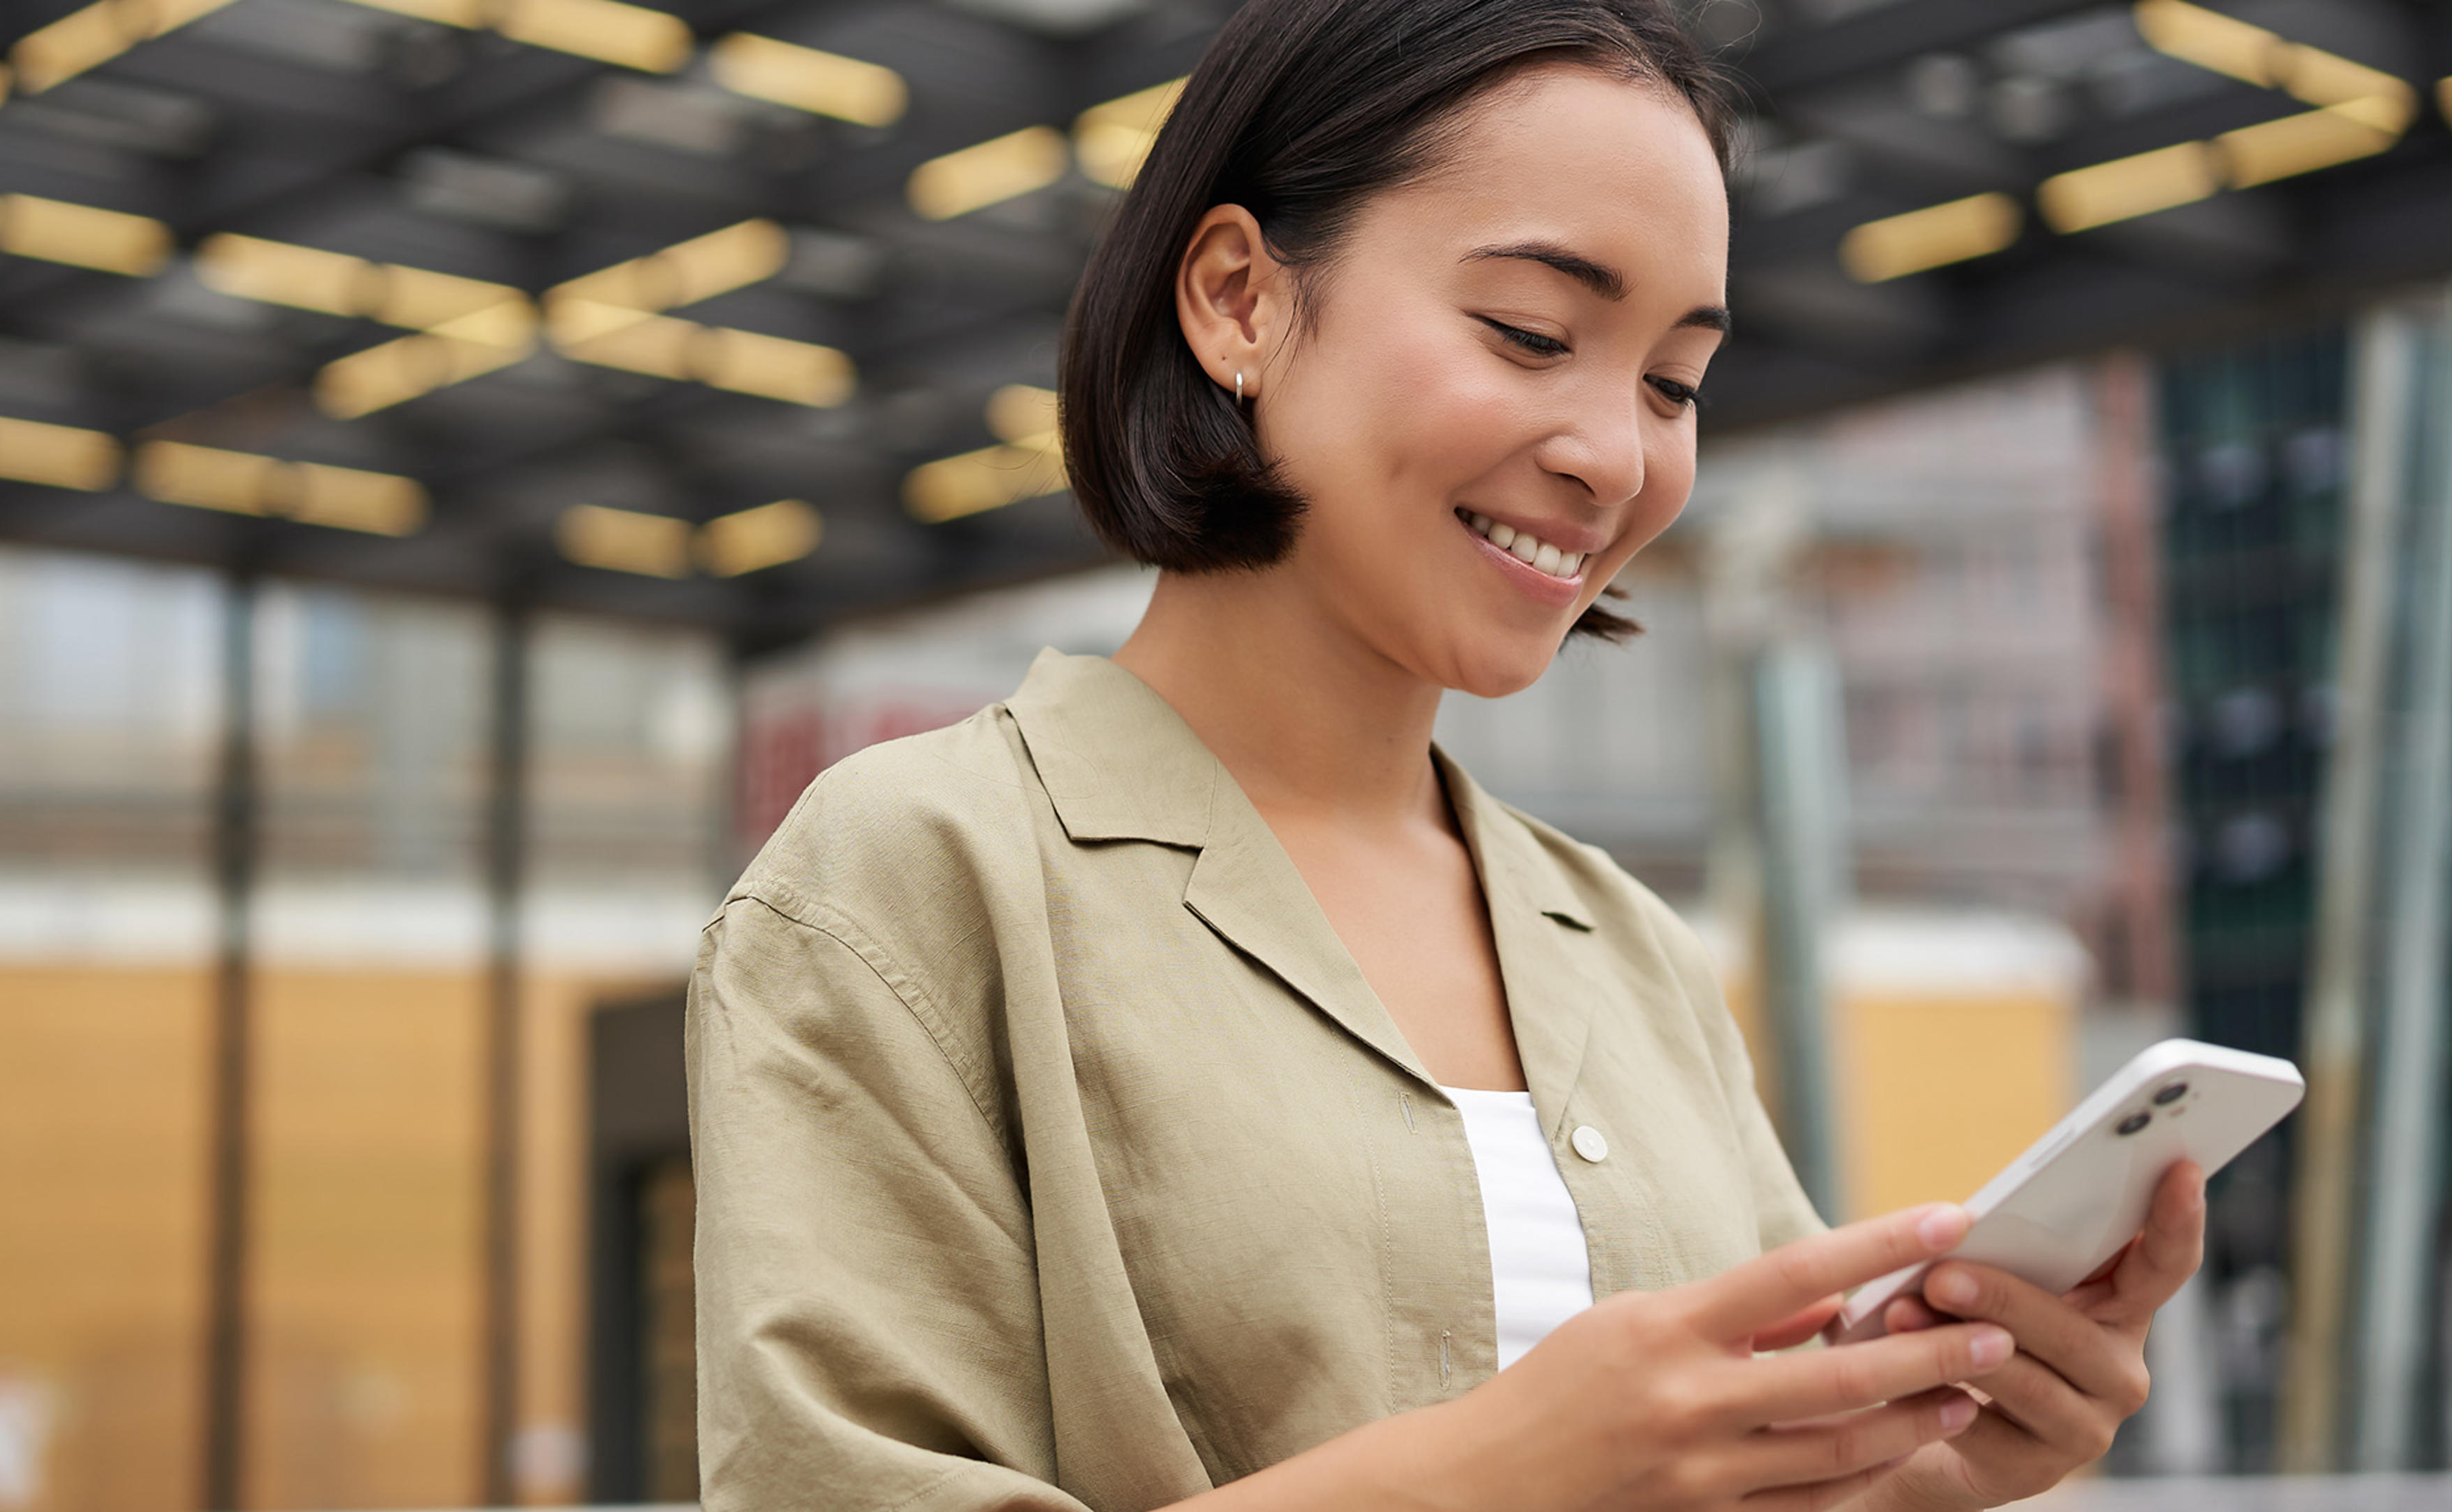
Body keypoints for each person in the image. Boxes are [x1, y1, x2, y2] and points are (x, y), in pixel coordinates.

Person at [685, 0, 2206, 1506]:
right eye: (1532, 334)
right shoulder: (911, 877)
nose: (1615, 454)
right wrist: (1505, 1473)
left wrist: (1926, 1467)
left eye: (1673, 382)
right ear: (1237, 300)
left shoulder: (1627, 949)